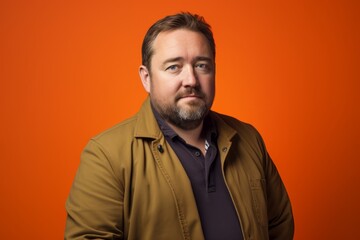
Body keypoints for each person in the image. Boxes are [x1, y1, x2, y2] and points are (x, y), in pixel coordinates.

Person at [65, 12, 294, 240]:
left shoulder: (249, 139)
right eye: (174, 67)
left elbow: (279, 224)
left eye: (202, 65)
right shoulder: (105, 155)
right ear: (146, 78)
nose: (191, 80)